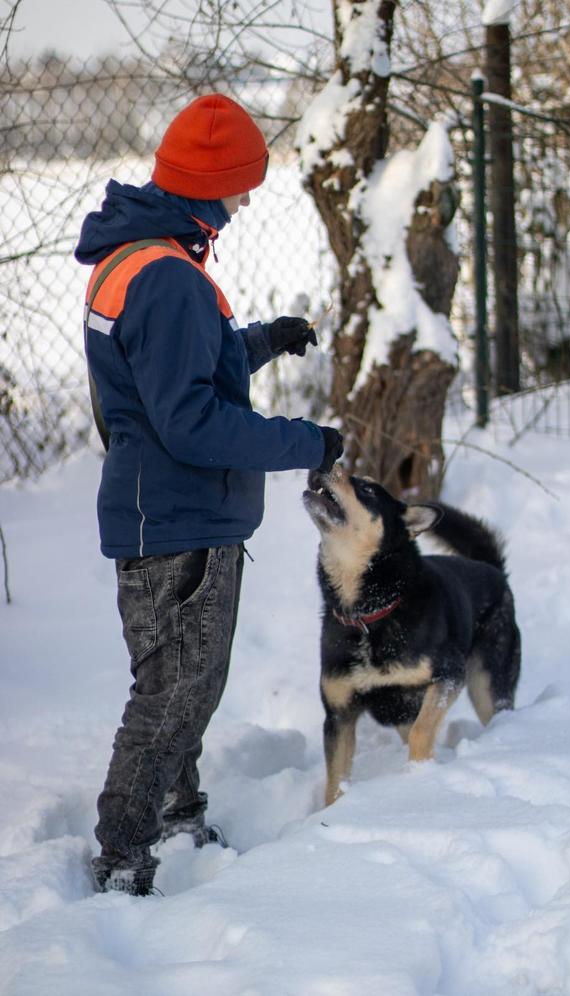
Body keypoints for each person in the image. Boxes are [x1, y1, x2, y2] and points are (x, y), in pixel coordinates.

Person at [74, 93, 343, 896]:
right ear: (208, 183)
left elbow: (169, 374)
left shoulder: (140, 257)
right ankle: (125, 853)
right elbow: (190, 421)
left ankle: (177, 813)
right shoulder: (170, 278)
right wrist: (305, 442)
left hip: (160, 510)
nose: (247, 200)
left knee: (179, 680)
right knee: (176, 689)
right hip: (178, 522)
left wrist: (260, 342)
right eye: (238, 185)